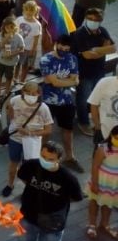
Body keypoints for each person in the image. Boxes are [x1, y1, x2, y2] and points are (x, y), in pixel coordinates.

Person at [3, 141, 83, 241]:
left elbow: (77, 197)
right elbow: (22, 176)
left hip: (53, 223)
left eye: (50, 159)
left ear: (59, 159)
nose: (45, 161)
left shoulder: (68, 178)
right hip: (28, 216)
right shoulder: (31, 165)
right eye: (43, 156)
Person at [62, 9, 115, 136]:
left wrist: (95, 50)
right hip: (84, 72)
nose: (93, 22)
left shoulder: (103, 31)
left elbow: (113, 48)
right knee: (83, 98)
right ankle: (83, 122)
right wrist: (103, 49)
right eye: (90, 19)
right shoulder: (80, 34)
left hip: (99, 70)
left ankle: (97, 117)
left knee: (97, 96)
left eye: (96, 20)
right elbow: (87, 56)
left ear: (100, 21)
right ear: (86, 18)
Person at [41, 35, 83, 173]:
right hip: (48, 101)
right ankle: (41, 158)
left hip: (66, 101)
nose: (64, 49)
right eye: (61, 45)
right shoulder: (46, 59)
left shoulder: (72, 58)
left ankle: (70, 157)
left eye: (67, 47)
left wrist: (58, 80)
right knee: (46, 131)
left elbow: (75, 80)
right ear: (56, 44)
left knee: (68, 129)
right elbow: (55, 82)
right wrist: (64, 80)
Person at [2, 81, 52, 197]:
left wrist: (30, 132)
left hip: (32, 142)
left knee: (29, 167)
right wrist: (14, 122)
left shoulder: (43, 108)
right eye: (28, 93)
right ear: (23, 92)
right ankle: (10, 184)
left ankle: (29, 188)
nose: (31, 96)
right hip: (15, 138)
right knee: (13, 162)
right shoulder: (15, 100)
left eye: (34, 94)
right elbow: (9, 109)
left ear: (39, 94)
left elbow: (48, 130)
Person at [88, 125, 118, 239]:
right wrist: (95, 183)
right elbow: (95, 166)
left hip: (113, 184)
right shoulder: (103, 148)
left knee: (108, 204)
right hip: (101, 181)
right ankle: (92, 224)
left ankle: (104, 224)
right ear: (111, 136)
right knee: (94, 202)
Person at [0, 16, 26, 102]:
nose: (9, 29)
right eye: (7, 27)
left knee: (9, 77)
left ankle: (7, 91)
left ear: (15, 27)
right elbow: (0, 46)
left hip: (11, 62)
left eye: (11, 27)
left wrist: (13, 53)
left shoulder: (18, 37)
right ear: (4, 27)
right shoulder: (1, 35)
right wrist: (6, 38)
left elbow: (22, 48)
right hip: (1, 60)